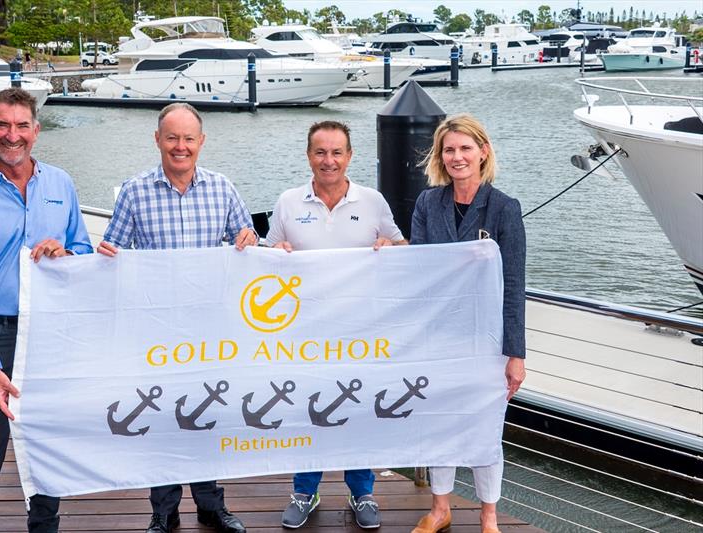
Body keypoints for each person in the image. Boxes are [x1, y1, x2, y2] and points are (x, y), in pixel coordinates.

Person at [96, 102, 254, 533]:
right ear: (158, 140)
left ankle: (210, 504)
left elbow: (247, 241)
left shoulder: (222, 188)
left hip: (209, 327)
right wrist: (105, 254)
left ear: (201, 142)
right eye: (172, 138)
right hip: (156, 328)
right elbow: (113, 252)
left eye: (188, 139)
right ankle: (163, 509)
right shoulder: (134, 191)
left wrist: (248, 238)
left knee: (205, 413)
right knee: (162, 417)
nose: (180, 147)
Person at [0, 88, 93, 533]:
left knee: (45, 446)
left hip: (50, 332)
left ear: (36, 130)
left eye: (22, 125)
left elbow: (83, 250)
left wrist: (65, 252)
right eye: (3, 126)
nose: (13, 136)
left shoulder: (60, 184)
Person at [266, 120, 406, 529]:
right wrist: (275, 250)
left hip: (359, 331)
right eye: (321, 152)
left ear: (350, 156)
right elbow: (266, 253)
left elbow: (402, 247)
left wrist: (390, 247)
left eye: (337, 152)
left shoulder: (373, 201)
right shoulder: (288, 202)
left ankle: (362, 491)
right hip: (303, 332)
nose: (329, 161)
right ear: (309, 155)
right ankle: (305, 490)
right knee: (305, 408)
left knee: (358, 409)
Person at [408, 114, 526, 533]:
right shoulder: (427, 204)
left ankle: (488, 515)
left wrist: (516, 355)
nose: (457, 157)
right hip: (439, 338)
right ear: (441, 157)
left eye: (465, 148)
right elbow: (418, 271)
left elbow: (514, 284)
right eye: (449, 149)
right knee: (439, 423)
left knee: (484, 427)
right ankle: (440, 508)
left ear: (483, 152)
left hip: (488, 341)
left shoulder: (504, 208)